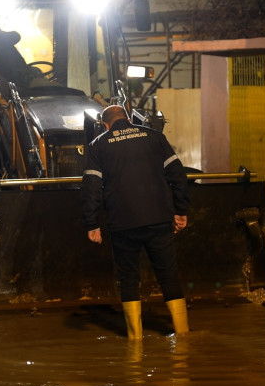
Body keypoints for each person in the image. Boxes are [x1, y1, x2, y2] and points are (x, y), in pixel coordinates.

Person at [81, 105, 190, 340]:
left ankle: (135, 340)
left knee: (129, 279)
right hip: (159, 219)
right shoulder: (155, 137)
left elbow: (91, 188)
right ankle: (183, 335)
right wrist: (180, 210)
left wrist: (92, 223)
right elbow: (178, 176)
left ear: (105, 124)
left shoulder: (98, 145)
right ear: (129, 119)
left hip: (122, 224)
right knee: (168, 276)